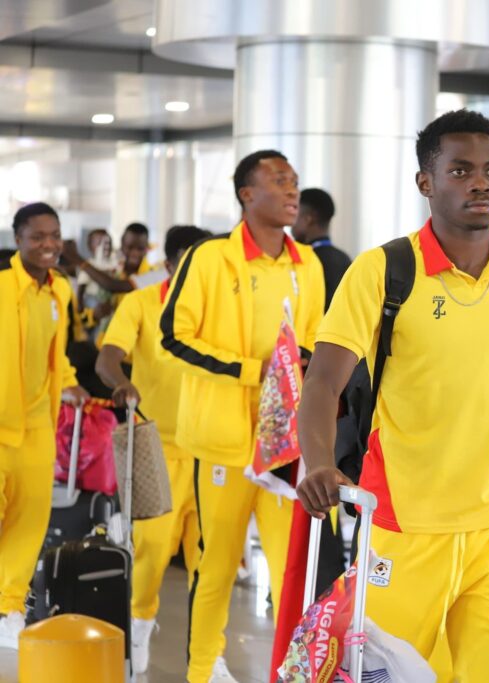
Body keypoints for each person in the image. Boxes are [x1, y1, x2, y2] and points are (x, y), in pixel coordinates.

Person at [295, 110, 489, 683]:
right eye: (461, 170)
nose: (481, 182)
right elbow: (322, 381)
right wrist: (319, 462)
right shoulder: (385, 270)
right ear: (426, 182)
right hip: (402, 529)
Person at [160, 150, 324, 683]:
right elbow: (173, 336)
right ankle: (203, 669)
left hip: (286, 450)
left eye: (295, 181)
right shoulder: (209, 259)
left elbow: (319, 342)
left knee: (293, 572)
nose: (292, 190)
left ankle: (290, 670)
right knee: (216, 566)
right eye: (279, 180)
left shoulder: (309, 265)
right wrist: (254, 371)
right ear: (247, 194)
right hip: (224, 443)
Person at [95, 224, 210, 673]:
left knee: (210, 556)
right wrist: (122, 384)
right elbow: (108, 355)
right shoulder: (143, 302)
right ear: (168, 266)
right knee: (153, 549)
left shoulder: (217, 309)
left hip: (212, 445)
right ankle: (140, 622)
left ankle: (207, 654)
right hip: (156, 443)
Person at [0, 202, 90, 649]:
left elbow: (59, 353)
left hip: (36, 425)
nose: (49, 245)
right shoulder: (1, 286)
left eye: (54, 235)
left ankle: (9, 608)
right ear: (17, 240)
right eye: (38, 237)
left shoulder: (61, 291)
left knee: (29, 521)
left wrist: (70, 384)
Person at [291, 188, 352, 307]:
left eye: (295, 215)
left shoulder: (307, 260)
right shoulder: (344, 258)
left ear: (308, 219)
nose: (292, 224)